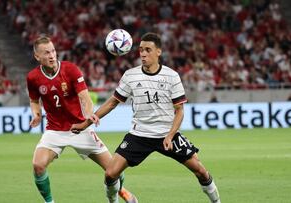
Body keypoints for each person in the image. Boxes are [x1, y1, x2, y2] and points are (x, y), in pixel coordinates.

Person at [71, 33, 221, 203]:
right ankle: (113, 201)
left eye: (148, 50)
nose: (143, 54)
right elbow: (113, 102)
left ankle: (217, 201)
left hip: (166, 135)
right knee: (110, 173)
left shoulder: (172, 76)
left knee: (200, 170)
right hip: (139, 135)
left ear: (158, 52)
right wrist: (85, 123)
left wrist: (171, 135)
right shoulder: (130, 75)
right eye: (141, 50)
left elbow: (179, 110)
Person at [26, 36, 138, 203]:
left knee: (114, 170)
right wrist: (36, 114)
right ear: (37, 57)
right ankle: (49, 202)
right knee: (38, 165)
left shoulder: (70, 69)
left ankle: (121, 191)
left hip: (80, 128)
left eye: (53, 51)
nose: (51, 55)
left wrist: (88, 114)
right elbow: (34, 100)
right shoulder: (33, 77)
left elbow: (85, 98)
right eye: (46, 53)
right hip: (55, 130)